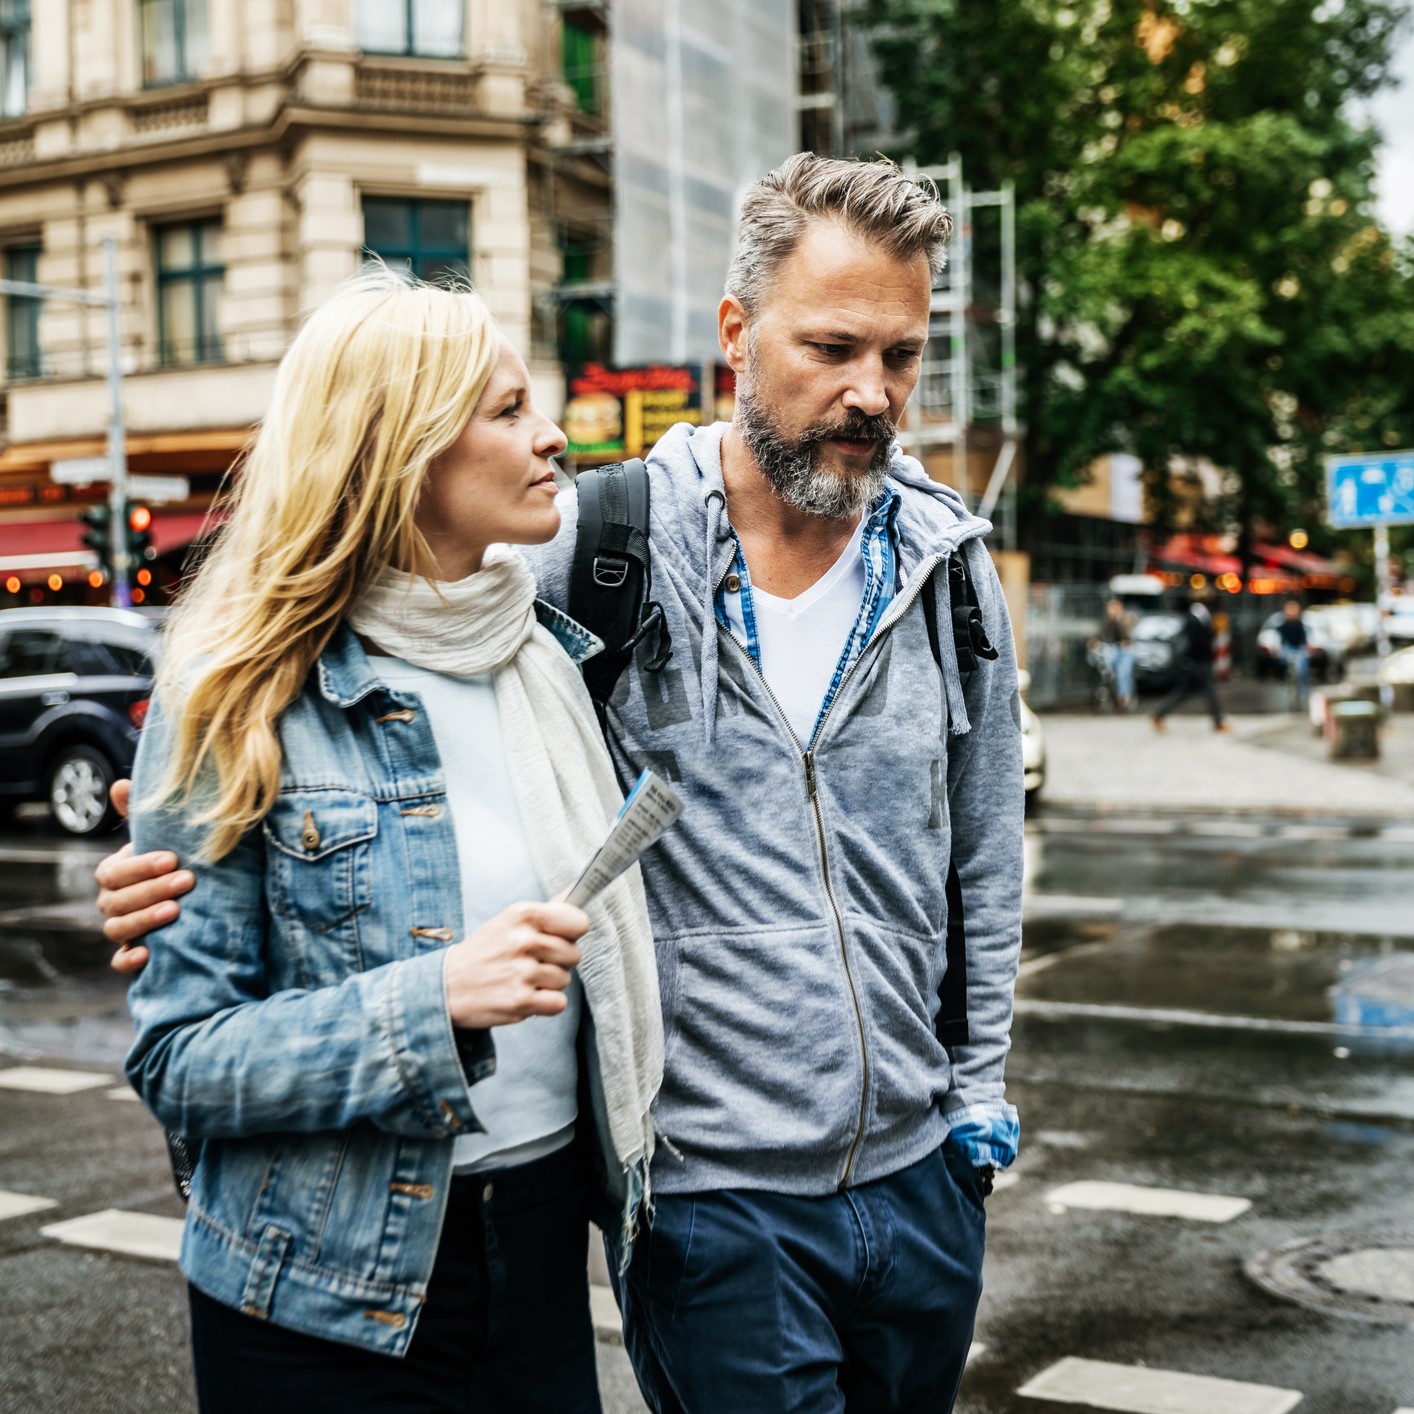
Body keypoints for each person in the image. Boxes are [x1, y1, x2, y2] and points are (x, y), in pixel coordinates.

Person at [99, 154, 1025, 1414]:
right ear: (737, 335)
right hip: (618, 1220)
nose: (872, 392)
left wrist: (972, 1106)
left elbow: (983, 860)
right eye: (832, 347)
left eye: (902, 356)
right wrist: (189, 860)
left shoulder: (547, 645)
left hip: (678, 1221)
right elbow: (197, 1028)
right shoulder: (582, 560)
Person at [118, 270, 663, 1413]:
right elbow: (180, 1062)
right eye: (507, 411)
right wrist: (435, 999)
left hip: (541, 1252)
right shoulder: (239, 691)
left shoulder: (545, 657)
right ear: (402, 451)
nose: (553, 435)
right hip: (317, 1294)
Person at [1149, 595, 1229, 732]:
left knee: (1183, 692)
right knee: (1208, 690)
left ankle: (1159, 714)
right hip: (1195, 662)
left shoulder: (1198, 618)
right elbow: (1194, 643)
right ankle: (1218, 722)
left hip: (1193, 662)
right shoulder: (1194, 619)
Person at [1095, 596, 1136, 709]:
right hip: (1110, 650)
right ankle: (1106, 691)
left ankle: (1123, 697)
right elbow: (1099, 636)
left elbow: (1127, 638)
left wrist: (1119, 620)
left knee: (1123, 671)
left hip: (1123, 652)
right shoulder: (1105, 621)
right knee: (1106, 667)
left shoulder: (1124, 620)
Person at [1277, 598, 1311, 708]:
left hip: (1298, 650)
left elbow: (1304, 642)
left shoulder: (1301, 626)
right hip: (1288, 649)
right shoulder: (1283, 626)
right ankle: (1289, 684)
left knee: (1302, 667)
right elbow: (1281, 642)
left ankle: (1303, 692)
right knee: (1287, 664)